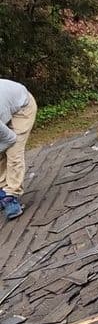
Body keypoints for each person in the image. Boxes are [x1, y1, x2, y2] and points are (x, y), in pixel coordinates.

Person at [0, 78, 37, 220]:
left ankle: (11, 196)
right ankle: (3, 191)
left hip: (23, 106)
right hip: (6, 107)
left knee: (13, 151)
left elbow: (10, 139)